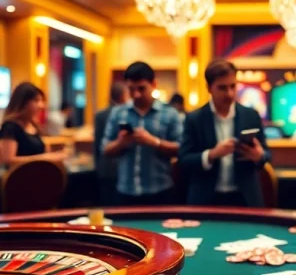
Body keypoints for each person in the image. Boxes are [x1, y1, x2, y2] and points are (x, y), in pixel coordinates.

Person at [178, 59, 270, 207]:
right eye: (222, 88)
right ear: (209, 88)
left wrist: (258, 156)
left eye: (233, 86)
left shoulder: (251, 115)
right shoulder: (194, 119)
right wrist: (211, 154)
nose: (229, 93)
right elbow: (184, 160)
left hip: (245, 199)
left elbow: (267, 155)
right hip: (206, 200)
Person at [102, 63, 183, 206]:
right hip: (125, 192)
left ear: (154, 84)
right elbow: (104, 149)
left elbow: (182, 148)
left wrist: (154, 142)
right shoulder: (117, 113)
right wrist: (121, 143)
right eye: (131, 89)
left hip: (160, 192)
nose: (136, 94)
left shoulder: (170, 114)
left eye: (141, 88)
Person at [0, 82, 66, 166]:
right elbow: (9, 160)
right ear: (22, 103)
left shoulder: (33, 125)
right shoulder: (10, 127)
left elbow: (43, 153)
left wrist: (57, 155)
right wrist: (45, 158)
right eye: (36, 101)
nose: (41, 106)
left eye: (42, 101)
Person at [93, 82, 128, 206]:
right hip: (121, 169)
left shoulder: (100, 115)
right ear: (123, 95)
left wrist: (97, 167)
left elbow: (97, 146)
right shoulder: (125, 114)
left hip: (104, 169)